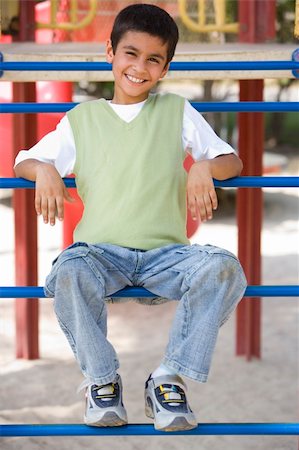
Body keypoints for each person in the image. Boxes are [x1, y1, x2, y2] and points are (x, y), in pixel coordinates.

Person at [14, 3, 247, 432]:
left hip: (167, 255)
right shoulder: (81, 120)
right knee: (68, 270)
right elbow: (24, 160)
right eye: (130, 53)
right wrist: (44, 169)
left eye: (153, 59)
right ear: (110, 52)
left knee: (223, 267)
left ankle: (167, 379)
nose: (139, 67)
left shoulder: (177, 112)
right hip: (101, 255)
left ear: (164, 69)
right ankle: (102, 380)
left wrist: (202, 166)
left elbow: (230, 161)